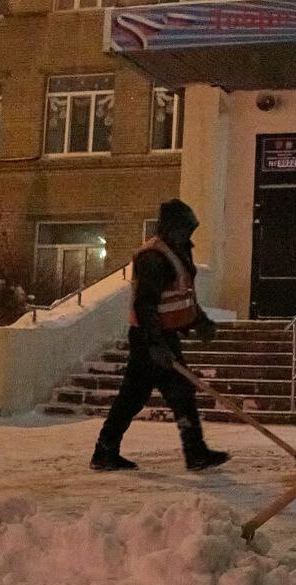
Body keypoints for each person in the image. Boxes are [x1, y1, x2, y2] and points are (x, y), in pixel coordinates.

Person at [89, 199, 230, 472]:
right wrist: (155, 345)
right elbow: (145, 304)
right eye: (184, 229)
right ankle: (195, 452)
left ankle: (105, 450)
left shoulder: (177, 252)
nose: (188, 235)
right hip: (149, 338)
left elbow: (182, 293)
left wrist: (200, 321)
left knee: (133, 397)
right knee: (178, 393)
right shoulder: (153, 258)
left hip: (161, 336)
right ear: (170, 228)